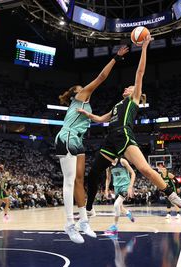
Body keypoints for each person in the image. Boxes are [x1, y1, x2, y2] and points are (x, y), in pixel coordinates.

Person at [77, 35, 181, 215]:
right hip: (111, 140)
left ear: (135, 92)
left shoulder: (133, 100)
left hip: (124, 135)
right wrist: (87, 114)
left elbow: (139, 73)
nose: (127, 89)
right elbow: (101, 119)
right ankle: (89, 208)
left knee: (144, 168)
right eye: (128, 88)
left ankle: (171, 195)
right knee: (93, 173)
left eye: (129, 87)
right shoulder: (116, 106)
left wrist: (143, 47)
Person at [55, 46, 129, 243]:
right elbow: (101, 77)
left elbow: (99, 118)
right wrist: (116, 58)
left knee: (80, 181)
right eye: (82, 87)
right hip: (67, 137)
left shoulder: (85, 104)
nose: (86, 88)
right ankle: (69, 224)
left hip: (77, 140)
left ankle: (83, 221)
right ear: (76, 94)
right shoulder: (79, 97)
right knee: (69, 181)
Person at [104, 158, 135, 235]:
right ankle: (128, 213)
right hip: (116, 187)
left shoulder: (122, 161)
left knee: (116, 205)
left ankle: (114, 226)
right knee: (120, 207)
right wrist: (106, 190)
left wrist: (130, 187)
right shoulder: (108, 165)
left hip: (125, 186)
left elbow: (133, 173)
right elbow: (108, 178)